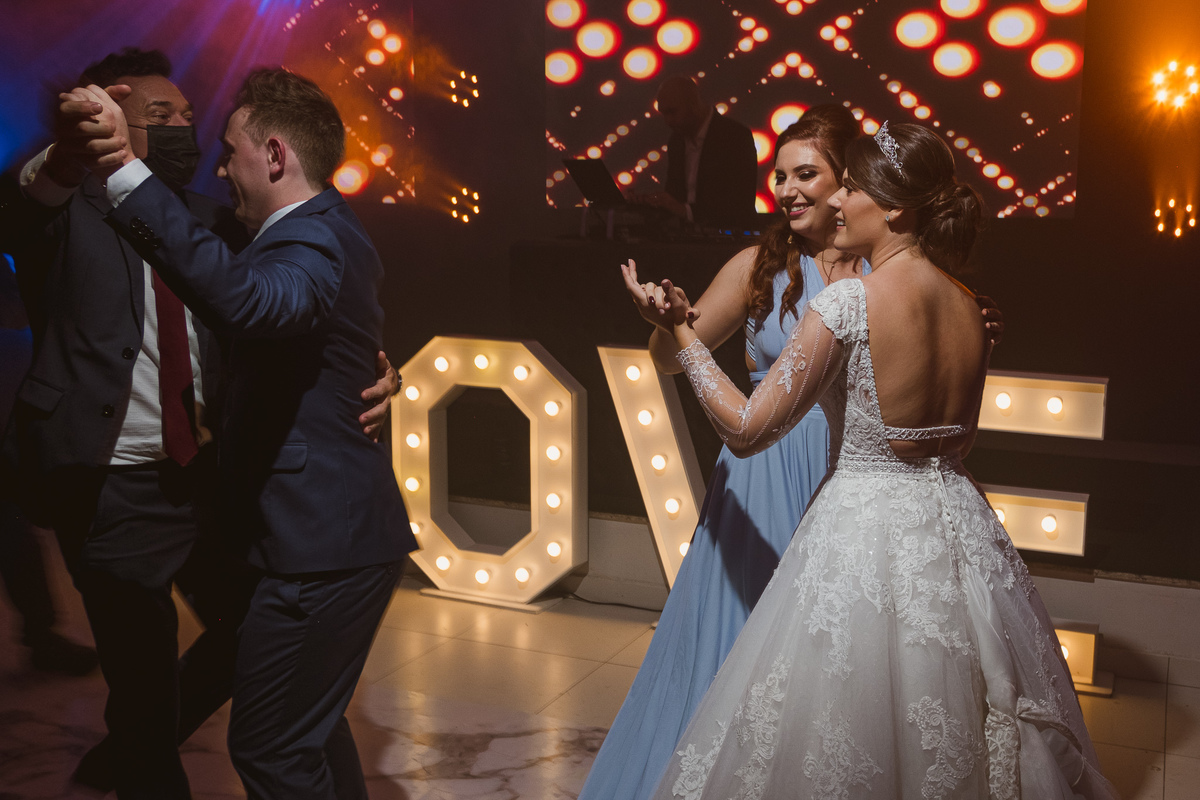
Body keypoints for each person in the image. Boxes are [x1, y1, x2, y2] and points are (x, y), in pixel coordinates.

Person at [629, 122, 1115, 798]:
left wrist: (682, 333)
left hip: (861, 526)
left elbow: (744, 430)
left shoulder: (849, 301)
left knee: (843, 716)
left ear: (893, 208)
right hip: (958, 527)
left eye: (850, 188)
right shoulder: (968, 306)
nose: (834, 202)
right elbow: (957, 442)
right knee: (965, 709)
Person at [0, 48, 398, 798]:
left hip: (209, 478)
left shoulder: (220, 220)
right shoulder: (63, 209)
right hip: (115, 485)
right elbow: (23, 202)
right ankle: (145, 753)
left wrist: (375, 368)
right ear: (113, 127)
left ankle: (194, 745)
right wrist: (71, 151)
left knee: (263, 649)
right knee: (143, 687)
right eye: (160, 117)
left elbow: (297, 296)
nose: (185, 133)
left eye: (189, 116)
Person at [585, 106, 1003, 800]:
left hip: (843, 480)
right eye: (778, 176)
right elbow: (676, 363)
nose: (789, 190)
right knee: (747, 661)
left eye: (809, 174)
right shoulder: (763, 268)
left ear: (854, 186)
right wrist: (669, 327)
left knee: (845, 682)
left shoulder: (880, 281)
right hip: (768, 478)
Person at [631, 75, 757, 227]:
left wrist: (685, 211)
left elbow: (739, 203)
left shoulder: (735, 136)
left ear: (693, 104)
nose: (667, 121)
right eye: (664, 114)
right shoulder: (677, 141)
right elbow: (674, 195)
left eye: (672, 112)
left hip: (725, 234)